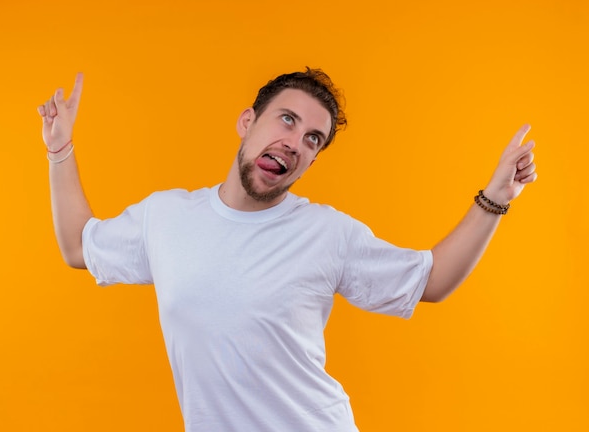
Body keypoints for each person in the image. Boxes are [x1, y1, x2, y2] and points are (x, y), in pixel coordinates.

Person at [37, 68, 536, 431]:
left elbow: (431, 281)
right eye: (287, 120)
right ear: (247, 121)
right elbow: (80, 247)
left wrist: (495, 197)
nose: (296, 141)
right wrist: (60, 151)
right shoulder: (165, 217)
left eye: (313, 138)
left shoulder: (327, 233)